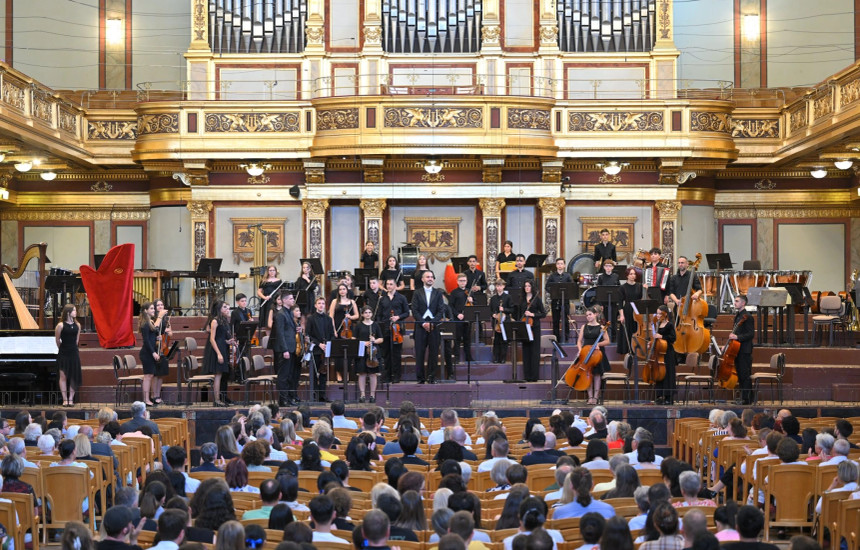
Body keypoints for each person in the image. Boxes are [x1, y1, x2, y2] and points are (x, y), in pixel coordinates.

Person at [412, 270, 445, 384]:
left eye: (432, 277)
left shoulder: (438, 293)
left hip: (434, 327)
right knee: (420, 354)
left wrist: (432, 323)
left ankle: (431, 377)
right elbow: (414, 310)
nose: (430, 278)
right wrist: (423, 323)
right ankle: (420, 378)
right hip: (420, 327)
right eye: (428, 277)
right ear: (422, 279)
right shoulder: (417, 293)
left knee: (434, 353)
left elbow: (441, 310)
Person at [202, 300, 235, 407]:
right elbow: (212, 339)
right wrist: (219, 354)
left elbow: (221, 337)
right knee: (218, 375)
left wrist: (228, 341)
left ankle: (220, 398)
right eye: (224, 307)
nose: (227, 309)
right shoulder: (215, 321)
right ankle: (216, 400)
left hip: (222, 347)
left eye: (227, 307)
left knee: (221, 375)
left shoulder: (224, 321)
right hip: (217, 349)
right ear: (219, 309)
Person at [376, 277, 410, 383]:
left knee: (396, 354)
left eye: (391, 284)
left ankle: (396, 376)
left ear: (395, 285)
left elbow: (407, 312)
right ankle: (387, 376)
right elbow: (379, 315)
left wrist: (398, 317)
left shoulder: (402, 298)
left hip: (397, 330)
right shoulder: (382, 299)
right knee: (386, 354)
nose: (389, 286)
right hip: (385, 329)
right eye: (388, 284)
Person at [577, 305, 611, 405]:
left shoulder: (601, 327)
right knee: (588, 374)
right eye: (587, 315)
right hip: (586, 353)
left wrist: (599, 344)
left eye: (590, 314)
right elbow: (579, 341)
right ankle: (590, 396)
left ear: (595, 314)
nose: (588, 317)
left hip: (597, 354)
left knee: (596, 375)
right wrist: (580, 350)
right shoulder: (584, 327)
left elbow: (607, 341)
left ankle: (595, 397)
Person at [306, 296, 334, 402]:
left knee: (323, 373)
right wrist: (319, 344)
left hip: (326, 350)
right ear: (315, 305)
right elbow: (308, 335)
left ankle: (322, 395)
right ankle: (314, 395)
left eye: (323, 303)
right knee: (314, 373)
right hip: (316, 350)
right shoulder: (311, 318)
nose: (321, 305)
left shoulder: (329, 319)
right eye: (319, 303)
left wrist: (327, 345)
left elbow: (332, 334)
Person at [730, 295, 756, 405]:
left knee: (745, 375)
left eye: (737, 301)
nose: (734, 303)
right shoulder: (738, 316)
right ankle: (743, 398)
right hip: (737, 349)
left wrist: (737, 337)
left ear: (743, 303)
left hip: (744, 350)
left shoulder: (748, 317)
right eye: (735, 301)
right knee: (740, 374)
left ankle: (747, 399)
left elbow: (751, 334)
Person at [354, 306, 383, 403]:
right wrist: (363, 343)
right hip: (362, 351)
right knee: (362, 373)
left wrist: (374, 340)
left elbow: (381, 339)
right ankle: (362, 395)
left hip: (373, 352)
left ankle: (372, 395)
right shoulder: (358, 325)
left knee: (372, 374)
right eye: (365, 312)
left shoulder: (375, 325)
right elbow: (354, 339)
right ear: (362, 314)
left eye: (369, 312)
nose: (367, 314)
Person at [519, 279, 546, 382]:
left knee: (534, 352)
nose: (527, 288)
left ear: (532, 287)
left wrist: (532, 314)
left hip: (534, 327)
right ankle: (527, 376)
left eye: (529, 286)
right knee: (526, 351)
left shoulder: (537, 299)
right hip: (524, 327)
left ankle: (534, 376)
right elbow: (519, 313)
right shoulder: (521, 299)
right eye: (525, 286)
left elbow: (543, 313)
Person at [55, 303, 82, 407]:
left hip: (74, 352)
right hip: (63, 352)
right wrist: (62, 349)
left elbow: (77, 340)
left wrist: (73, 349)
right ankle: (65, 399)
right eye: (74, 310)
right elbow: (57, 340)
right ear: (68, 312)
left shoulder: (78, 325)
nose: (76, 312)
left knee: (73, 376)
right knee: (63, 375)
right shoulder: (60, 325)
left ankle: (71, 399)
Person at [137, 302, 163, 407]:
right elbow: (146, 341)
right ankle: (146, 399)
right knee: (147, 376)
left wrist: (157, 338)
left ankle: (147, 399)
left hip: (150, 352)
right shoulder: (145, 324)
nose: (154, 310)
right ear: (145, 311)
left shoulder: (150, 322)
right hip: (147, 353)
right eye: (151, 308)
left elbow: (151, 338)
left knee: (150, 375)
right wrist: (153, 353)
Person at [652, 305, 677, 405]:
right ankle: (659, 395)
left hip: (668, 353)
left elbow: (673, 338)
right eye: (657, 313)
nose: (657, 315)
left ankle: (668, 397)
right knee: (659, 374)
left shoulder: (669, 325)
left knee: (668, 374)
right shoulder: (657, 324)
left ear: (665, 314)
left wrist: (661, 336)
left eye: (659, 313)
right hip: (659, 352)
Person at [546, 258, 574, 342]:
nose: (560, 265)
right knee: (555, 320)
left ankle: (565, 338)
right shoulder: (552, 276)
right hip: (555, 301)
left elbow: (572, 286)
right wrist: (553, 292)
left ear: (564, 265)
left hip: (565, 301)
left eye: (561, 264)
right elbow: (547, 287)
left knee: (565, 320)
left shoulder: (568, 276)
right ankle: (556, 338)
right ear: (556, 265)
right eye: (558, 264)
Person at [616, 267, 643, 355]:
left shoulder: (639, 286)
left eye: (634, 274)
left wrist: (645, 289)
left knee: (637, 328)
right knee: (627, 329)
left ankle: (637, 348)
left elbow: (642, 299)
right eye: (631, 274)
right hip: (627, 309)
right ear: (627, 275)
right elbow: (620, 303)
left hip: (637, 309)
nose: (633, 276)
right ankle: (627, 349)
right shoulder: (622, 287)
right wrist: (622, 315)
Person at [448, 273, 473, 365]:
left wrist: (472, 300)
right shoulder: (454, 292)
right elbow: (450, 306)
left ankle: (468, 357)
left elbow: (474, 305)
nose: (463, 282)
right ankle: (457, 357)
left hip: (467, 318)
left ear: (467, 282)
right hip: (458, 318)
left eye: (464, 281)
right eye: (461, 281)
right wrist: (457, 314)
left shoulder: (469, 292)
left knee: (467, 339)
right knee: (457, 338)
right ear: (457, 282)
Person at [490, 279, 515, 364]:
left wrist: (504, 309)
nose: (499, 287)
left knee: (504, 340)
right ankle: (496, 358)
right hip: (496, 322)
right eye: (497, 286)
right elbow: (490, 310)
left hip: (505, 321)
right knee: (496, 340)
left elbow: (512, 309)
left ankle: (503, 358)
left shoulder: (508, 297)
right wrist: (493, 314)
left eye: (500, 286)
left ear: (504, 286)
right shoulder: (493, 298)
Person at [230, 294, 254, 369]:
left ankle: (246, 372)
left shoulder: (248, 311)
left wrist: (251, 322)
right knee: (239, 356)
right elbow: (232, 325)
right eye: (242, 301)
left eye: (245, 301)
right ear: (237, 302)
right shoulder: (235, 312)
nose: (244, 303)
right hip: (239, 336)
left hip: (247, 336)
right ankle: (239, 374)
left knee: (246, 355)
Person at [257, 265, 282, 333]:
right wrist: (265, 297)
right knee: (266, 319)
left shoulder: (279, 281)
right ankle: (267, 338)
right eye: (270, 270)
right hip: (266, 301)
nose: (272, 272)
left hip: (275, 302)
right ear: (268, 271)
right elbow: (259, 292)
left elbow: (280, 292)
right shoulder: (263, 281)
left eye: (273, 270)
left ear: (276, 271)